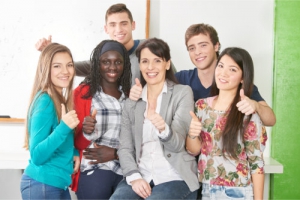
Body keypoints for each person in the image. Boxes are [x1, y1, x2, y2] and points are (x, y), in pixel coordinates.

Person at [110, 38, 198, 200]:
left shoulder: (182, 93)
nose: (150, 67)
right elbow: (125, 148)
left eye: (157, 60)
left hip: (174, 176)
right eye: (145, 61)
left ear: (167, 64)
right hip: (141, 174)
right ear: (140, 65)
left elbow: (178, 145)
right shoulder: (132, 102)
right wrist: (134, 177)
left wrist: (163, 128)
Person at [186, 47, 267, 200]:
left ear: (243, 77)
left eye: (232, 69)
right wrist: (192, 133)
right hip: (207, 189)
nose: (223, 73)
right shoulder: (202, 106)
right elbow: (194, 150)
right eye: (221, 66)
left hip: (238, 191)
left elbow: (256, 162)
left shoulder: (246, 110)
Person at [35, 3, 175, 86]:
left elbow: (173, 79)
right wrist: (50, 51)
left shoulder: (149, 47)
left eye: (124, 23)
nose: (118, 30)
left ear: (133, 25)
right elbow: (73, 67)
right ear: (106, 29)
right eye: (113, 25)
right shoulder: (104, 57)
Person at [175, 23, 276, 126]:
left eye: (203, 45)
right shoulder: (181, 79)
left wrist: (256, 106)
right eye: (192, 48)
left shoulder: (236, 83)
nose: (197, 52)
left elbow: (271, 120)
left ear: (216, 46)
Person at [71, 40, 132, 199]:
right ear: (97, 64)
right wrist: (86, 131)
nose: (112, 67)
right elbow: (73, 142)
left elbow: (137, 139)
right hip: (95, 169)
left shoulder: (130, 97)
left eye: (118, 62)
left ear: (124, 65)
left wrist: (116, 154)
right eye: (106, 62)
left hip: (126, 173)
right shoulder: (83, 93)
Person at [20, 43, 80, 199]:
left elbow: (59, 139)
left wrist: (73, 152)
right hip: (43, 184)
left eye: (69, 65)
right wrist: (64, 127)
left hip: (56, 184)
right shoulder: (45, 101)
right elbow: (37, 155)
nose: (65, 71)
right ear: (46, 69)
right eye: (57, 66)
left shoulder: (58, 98)